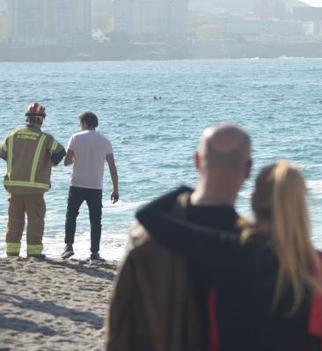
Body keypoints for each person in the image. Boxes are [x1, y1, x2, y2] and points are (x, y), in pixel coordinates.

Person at [136, 161, 322, 350]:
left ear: (252, 201)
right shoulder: (319, 264)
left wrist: (190, 190)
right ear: (301, 206)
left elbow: (148, 215)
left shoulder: (225, 248)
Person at [105, 124, 252, 351]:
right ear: (248, 169)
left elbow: (119, 319)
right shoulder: (256, 247)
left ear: (196, 161)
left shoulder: (145, 236)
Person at [0, 103, 66, 258]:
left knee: (14, 222)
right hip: (35, 189)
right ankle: (34, 254)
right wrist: (49, 163)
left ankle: (12, 253)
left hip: (14, 188)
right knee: (35, 221)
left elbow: (2, 153)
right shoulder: (45, 138)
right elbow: (60, 152)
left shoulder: (12, 134)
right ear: (40, 119)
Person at [62, 111, 119, 261]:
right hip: (95, 186)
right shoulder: (105, 141)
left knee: (71, 215)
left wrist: (76, 158)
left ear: (84, 123)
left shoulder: (75, 138)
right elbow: (112, 167)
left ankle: (68, 246)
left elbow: (66, 162)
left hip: (77, 184)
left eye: (80, 123)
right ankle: (94, 253)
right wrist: (115, 189)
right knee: (95, 220)